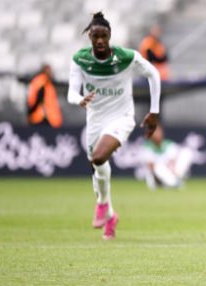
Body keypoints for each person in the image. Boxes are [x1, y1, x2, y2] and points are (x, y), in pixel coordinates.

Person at [67, 12, 161, 240]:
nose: (99, 40)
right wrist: (79, 99)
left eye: (104, 36)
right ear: (89, 37)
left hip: (121, 117)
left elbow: (153, 74)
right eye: (95, 36)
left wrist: (154, 111)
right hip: (95, 119)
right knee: (97, 172)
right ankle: (110, 216)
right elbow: (71, 91)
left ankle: (101, 204)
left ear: (110, 36)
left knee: (99, 158)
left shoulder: (126, 57)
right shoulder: (80, 59)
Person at [142, 125, 193, 190]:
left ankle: (176, 181)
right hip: (156, 180)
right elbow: (151, 167)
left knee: (187, 152)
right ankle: (175, 183)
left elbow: (172, 163)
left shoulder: (169, 144)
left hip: (171, 172)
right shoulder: (147, 147)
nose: (157, 134)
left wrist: (171, 169)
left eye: (159, 131)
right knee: (157, 167)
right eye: (154, 131)